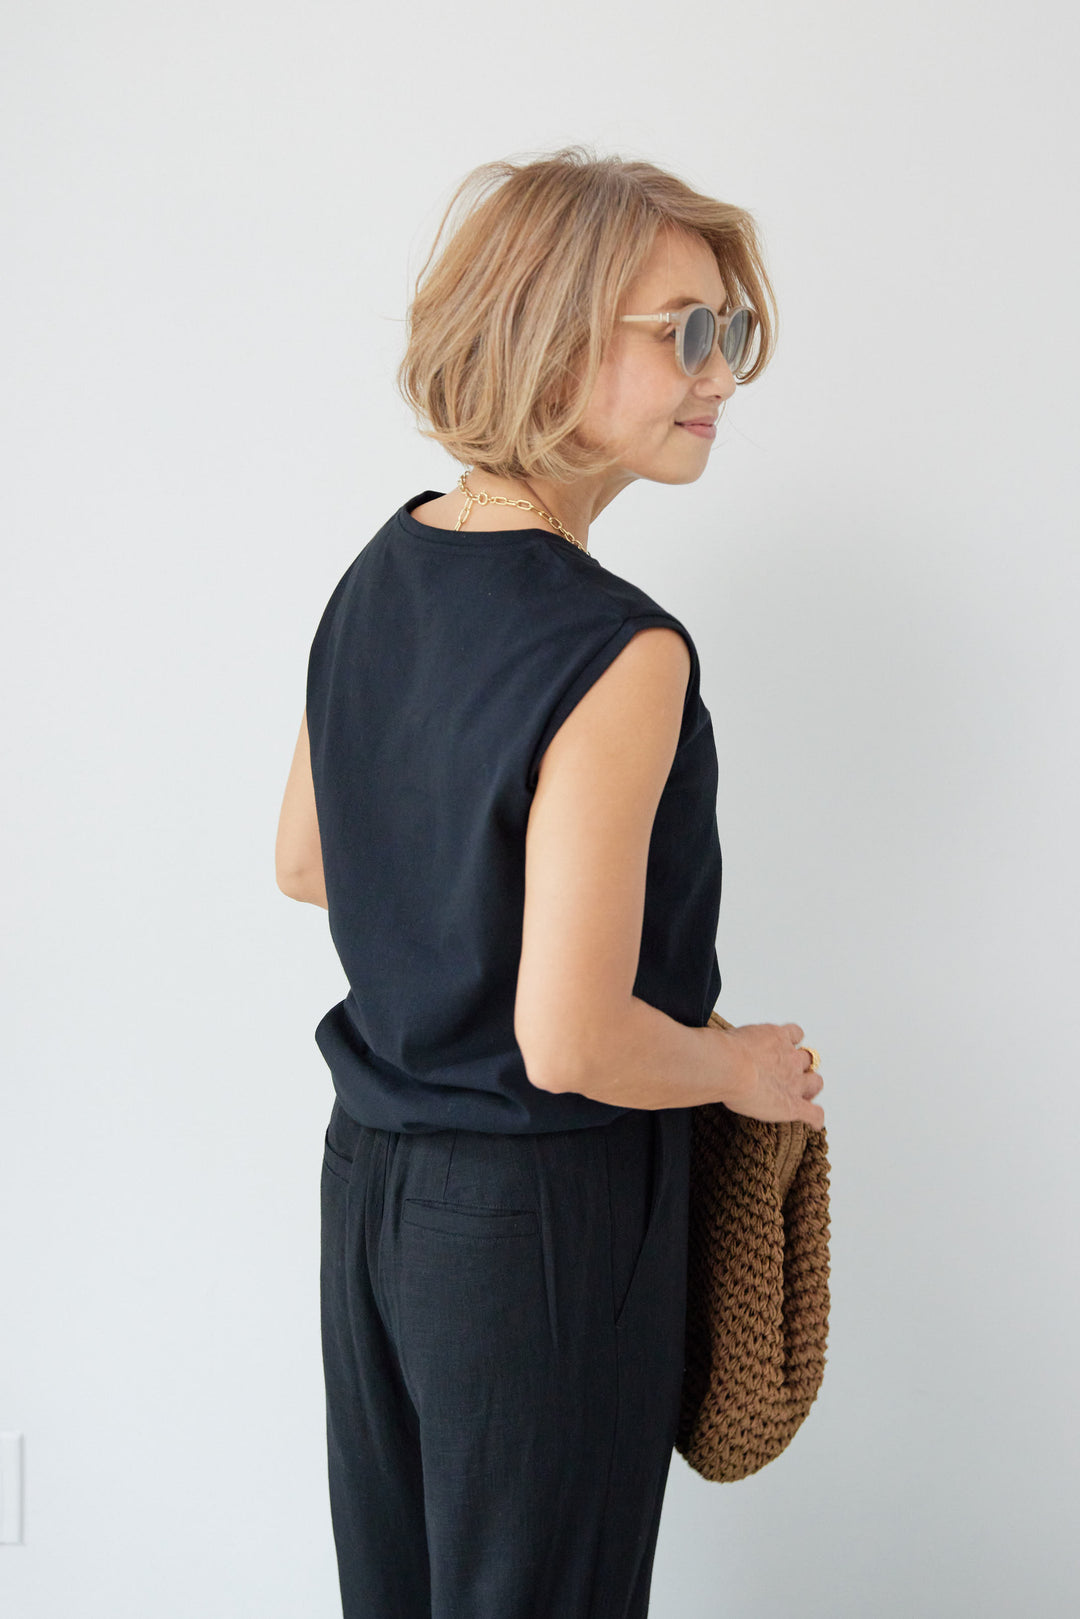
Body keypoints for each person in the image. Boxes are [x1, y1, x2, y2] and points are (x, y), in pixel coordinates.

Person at [274, 145, 826, 1619]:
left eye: (732, 330)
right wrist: (743, 1070)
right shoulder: (620, 649)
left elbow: (307, 861)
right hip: (539, 1220)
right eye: (686, 332)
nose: (722, 372)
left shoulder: (383, 567)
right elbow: (570, 1041)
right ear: (548, 336)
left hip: (371, 1186)